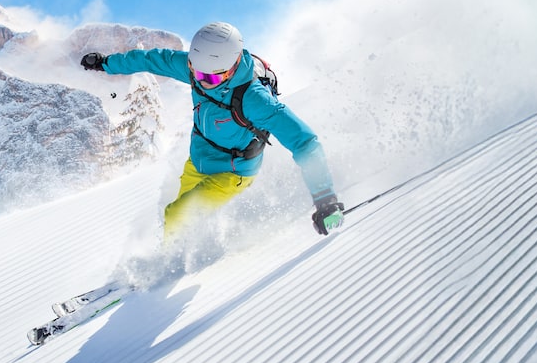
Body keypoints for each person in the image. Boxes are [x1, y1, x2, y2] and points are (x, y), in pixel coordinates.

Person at [81, 21, 345, 240]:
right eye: (198, 73)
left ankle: (167, 264)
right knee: (177, 214)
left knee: (178, 214)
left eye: (213, 77)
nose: (204, 82)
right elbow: (151, 59)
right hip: (198, 160)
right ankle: (179, 247)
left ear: (232, 67)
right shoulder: (196, 70)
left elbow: (304, 142)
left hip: (232, 171)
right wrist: (106, 64)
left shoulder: (254, 98)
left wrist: (325, 199)